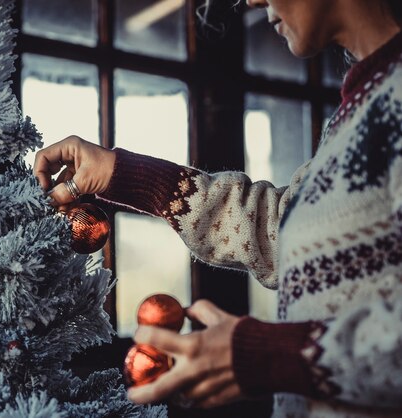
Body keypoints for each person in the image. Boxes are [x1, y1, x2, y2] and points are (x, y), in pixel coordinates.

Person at [33, 0, 402, 416]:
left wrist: (265, 355)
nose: (251, 1)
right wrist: (122, 173)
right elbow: (277, 233)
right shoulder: (356, 113)